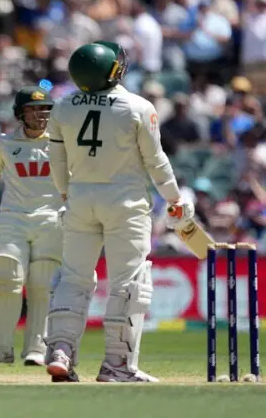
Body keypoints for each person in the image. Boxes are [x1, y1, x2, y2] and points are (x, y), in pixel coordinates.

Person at [43, 41, 194, 382]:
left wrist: (68, 193)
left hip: (80, 198)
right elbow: (156, 161)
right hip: (125, 203)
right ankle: (117, 365)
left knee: (73, 277)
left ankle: (61, 351)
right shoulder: (138, 107)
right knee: (130, 282)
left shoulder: (62, 106)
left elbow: (57, 161)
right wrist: (174, 199)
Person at [0, 81, 63, 367]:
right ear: (20, 114)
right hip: (13, 218)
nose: (40, 115)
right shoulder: (5, 144)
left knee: (43, 282)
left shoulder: (63, 142)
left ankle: (37, 348)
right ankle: (0, 347)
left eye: (45, 109)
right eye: (33, 109)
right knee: (4, 276)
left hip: (52, 219)